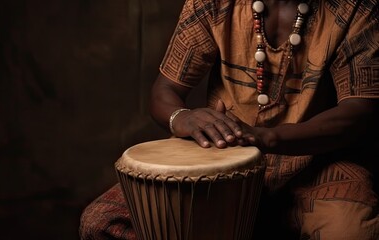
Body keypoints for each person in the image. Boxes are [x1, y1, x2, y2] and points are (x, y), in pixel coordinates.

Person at [80, 0, 379, 239]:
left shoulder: (356, 8)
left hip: (317, 164)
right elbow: (165, 89)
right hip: (221, 155)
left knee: (352, 231)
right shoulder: (213, 3)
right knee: (101, 222)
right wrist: (182, 117)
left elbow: (359, 111)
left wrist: (267, 137)